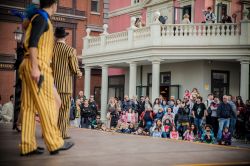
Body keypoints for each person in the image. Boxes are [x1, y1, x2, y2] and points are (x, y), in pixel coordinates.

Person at [18, 0, 74, 156]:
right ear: (54, 4)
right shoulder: (43, 18)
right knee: (48, 104)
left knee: (29, 107)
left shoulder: (37, 17)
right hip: (39, 66)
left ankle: (28, 145)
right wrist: (36, 68)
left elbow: (27, 41)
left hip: (29, 63)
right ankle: (55, 142)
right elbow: (33, 44)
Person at [52, 26, 82, 139]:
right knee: (64, 110)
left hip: (51, 86)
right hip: (65, 87)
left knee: (52, 110)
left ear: (55, 37)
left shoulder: (51, 49)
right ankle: (62, 133)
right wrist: (79, 74)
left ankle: (50, 133)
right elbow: (74, 68)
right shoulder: (70, 50)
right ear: (65, 38)